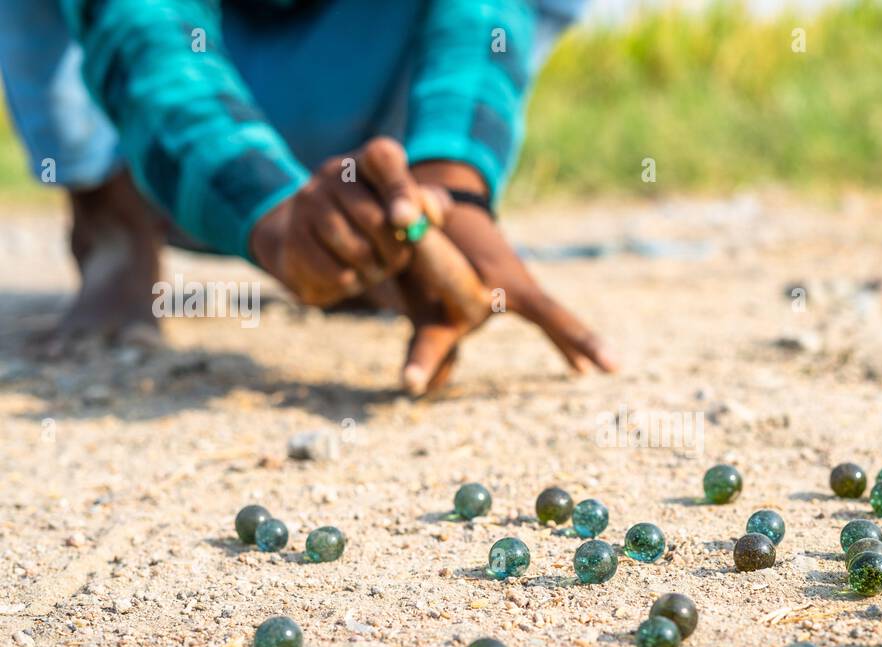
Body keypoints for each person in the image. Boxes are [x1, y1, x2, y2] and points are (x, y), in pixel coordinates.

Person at [0, 0, 615, 393]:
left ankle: (373, 231)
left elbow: (481, 20)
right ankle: (112, 222)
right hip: (152, 146)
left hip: (361, 117)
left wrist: (452, 186)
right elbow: (143, 35)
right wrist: (270, 213)